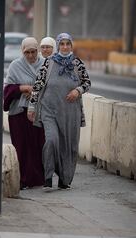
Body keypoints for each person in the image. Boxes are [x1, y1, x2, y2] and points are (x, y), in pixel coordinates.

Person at [28, 33, 91, 190]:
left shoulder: (77, 63)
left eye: (67, 44)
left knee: (69, 147)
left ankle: (65, 179)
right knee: (51, 140)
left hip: (71, 113)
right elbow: (37, 86)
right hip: (49, 111)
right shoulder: (49, 63)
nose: (64, 47)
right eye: (61, 44)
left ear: (71, 45)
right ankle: (48, 176)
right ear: (58, 45)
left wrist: (78, 90)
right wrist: (32, 107)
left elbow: (87, 82)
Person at [4, 37, 45, 189]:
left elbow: (50, 87)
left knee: (38, 145)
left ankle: (38, 179)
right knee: (21, 147)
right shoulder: (15, 65)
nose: (30, 55)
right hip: (19, 113)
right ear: (22, 51)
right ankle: (22, 180)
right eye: (27, 52)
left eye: (33, 52)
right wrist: (22, 88)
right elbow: (7, 89)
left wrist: (35, 92)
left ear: (37, 51)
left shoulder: (45, 65)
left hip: (39, 112)